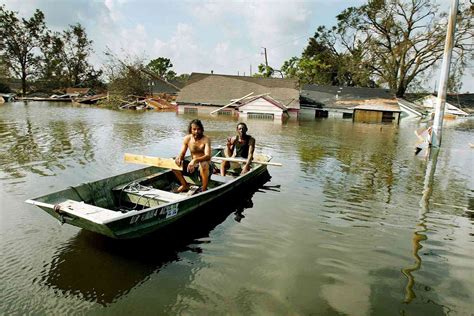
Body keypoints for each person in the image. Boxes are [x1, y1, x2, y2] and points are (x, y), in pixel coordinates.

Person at [173, 119, 211, 192]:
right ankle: (184, 185)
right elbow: (183, 153)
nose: (196, 131)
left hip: (205, 166)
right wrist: (179, 157)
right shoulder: (187, 138)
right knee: (174, 163)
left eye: (198, 129)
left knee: (204, 164)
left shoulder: (206, 139)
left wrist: (195, 160)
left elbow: (208, 156)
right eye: (194, 129)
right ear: (191, 130)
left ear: (202, 129)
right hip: (193, 166)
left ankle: (204, 189)